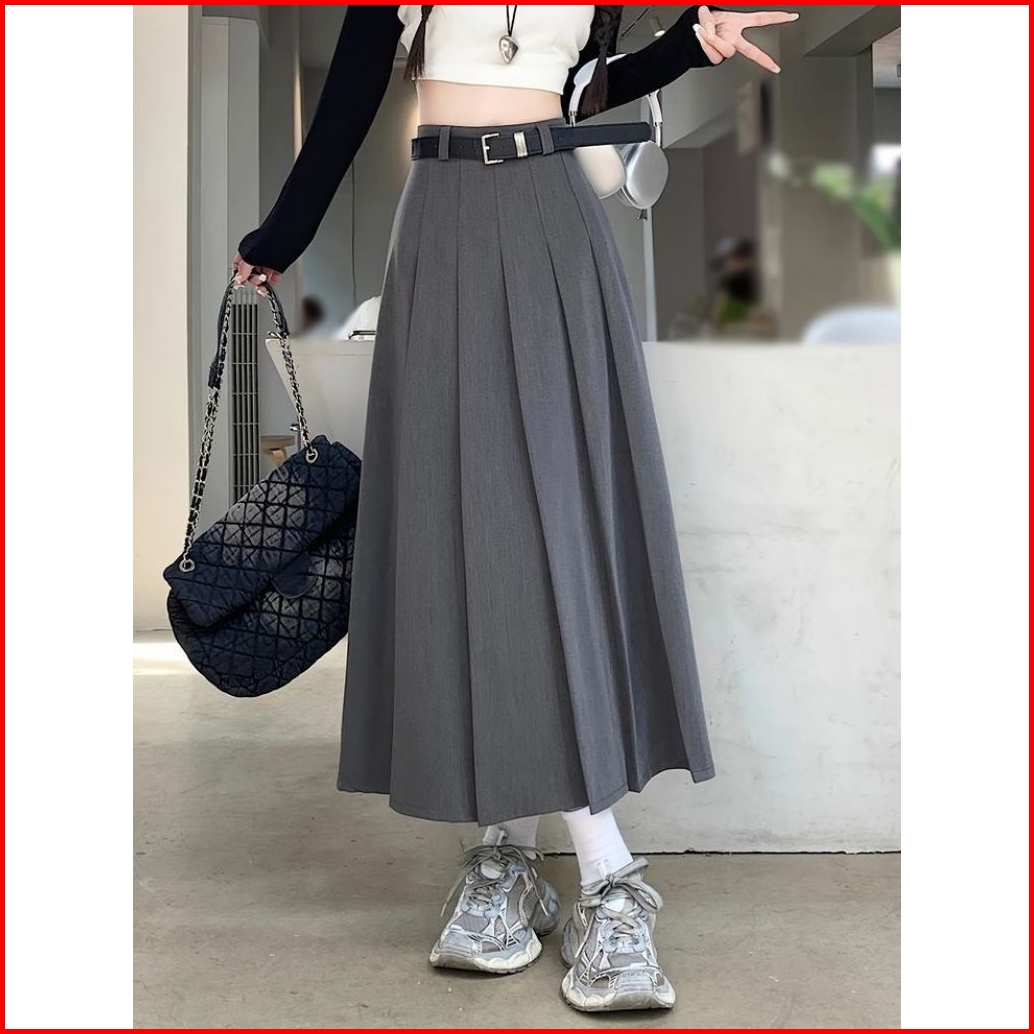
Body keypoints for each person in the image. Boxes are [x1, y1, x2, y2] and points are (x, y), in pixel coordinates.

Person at [232, 4, 798, 1014]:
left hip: (551, 216)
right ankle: (530, 860)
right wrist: (278, 240)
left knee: (550, 533)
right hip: (442, 217)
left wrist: (685, 46)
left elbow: (586, 89)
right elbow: (349, 99)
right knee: (467, 528)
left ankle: (563, 866)